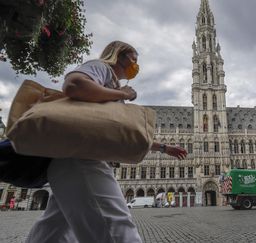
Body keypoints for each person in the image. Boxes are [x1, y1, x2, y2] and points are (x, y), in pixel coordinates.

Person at [26, 41, 188, 243]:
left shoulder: (109, 82)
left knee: (53, 231)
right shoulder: (101, 67)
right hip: (83, 161)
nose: (136, 65)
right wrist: (123, 94)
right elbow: (74, 84)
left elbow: (116, 133)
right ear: (118, 56)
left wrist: (163, 147)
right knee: (116, 228)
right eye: (133, 59)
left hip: (70, 162)